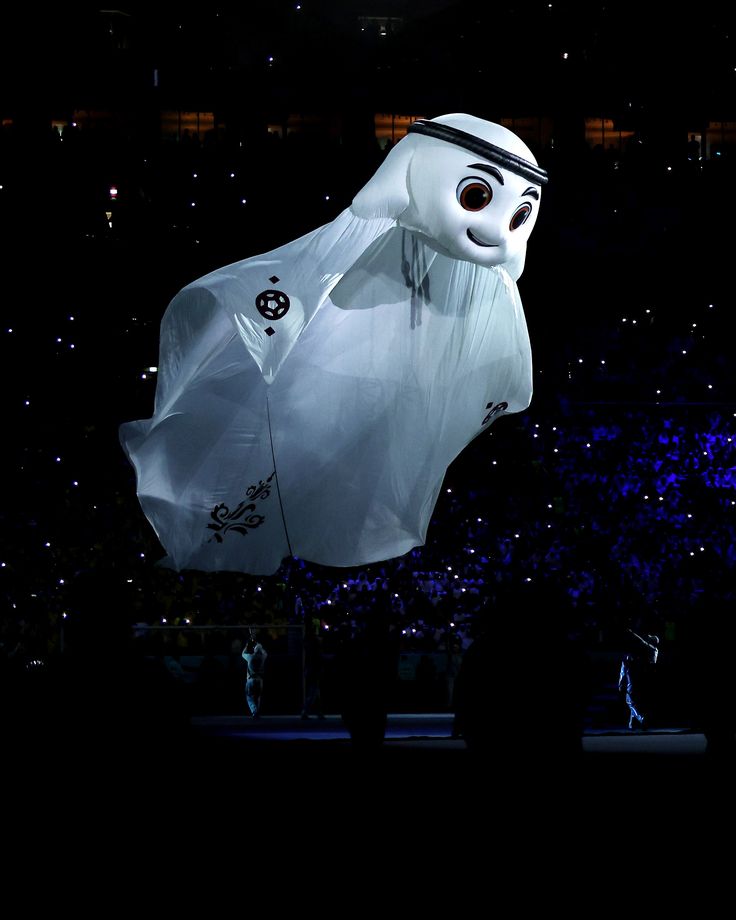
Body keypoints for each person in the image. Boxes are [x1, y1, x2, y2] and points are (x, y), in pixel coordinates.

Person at [618, 628, 659, 730]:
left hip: (648, 674)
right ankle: (631, 724)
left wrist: (632, 633)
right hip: (646, 674)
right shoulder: (646, 652)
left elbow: (641, 641)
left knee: (631, 701)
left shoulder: (652, 649)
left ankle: (641, 719)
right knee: (634, 701)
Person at [242, 633, 267, 719]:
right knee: (258, 696)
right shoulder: (263, 657)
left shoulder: (250, 657)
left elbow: (243, 653)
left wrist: (247, 644)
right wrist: (258, 644)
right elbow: (263, 651)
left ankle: (254, 711)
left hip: (251, 679)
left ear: (254, 650)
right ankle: (257, 712)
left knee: (249, 696)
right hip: (260, 680)